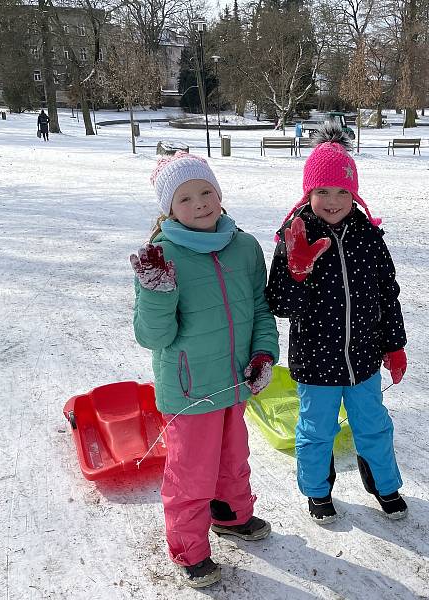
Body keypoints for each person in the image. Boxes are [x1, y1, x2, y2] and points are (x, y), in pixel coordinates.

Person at [130, 151, 279, 588]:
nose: (199, 204)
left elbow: (259, 308)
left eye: (206, 192)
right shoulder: (163, 255)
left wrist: (263, 355)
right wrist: (157, 292)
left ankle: (231, 515)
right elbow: (152, 337)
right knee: (191, 472)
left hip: (236, 382)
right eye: (184, 198)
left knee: (234, 458)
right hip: (190, 389)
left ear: (219, 194)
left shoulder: (245, 246)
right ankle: (189, 549)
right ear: (168, 209)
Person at [265, 123, 409, 525]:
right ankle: (317, 492)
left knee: (374, 426)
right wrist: (296, 273)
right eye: (322, 192)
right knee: (316, 431)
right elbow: (279, 304)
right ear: (308, 193)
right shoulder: (294, 236)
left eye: (342, 191)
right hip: (316, 363)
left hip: (363, 360)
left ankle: (385, 484)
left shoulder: (369, 237)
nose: (332, 201)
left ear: (355, 194)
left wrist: (393, 345)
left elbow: (387, 294)